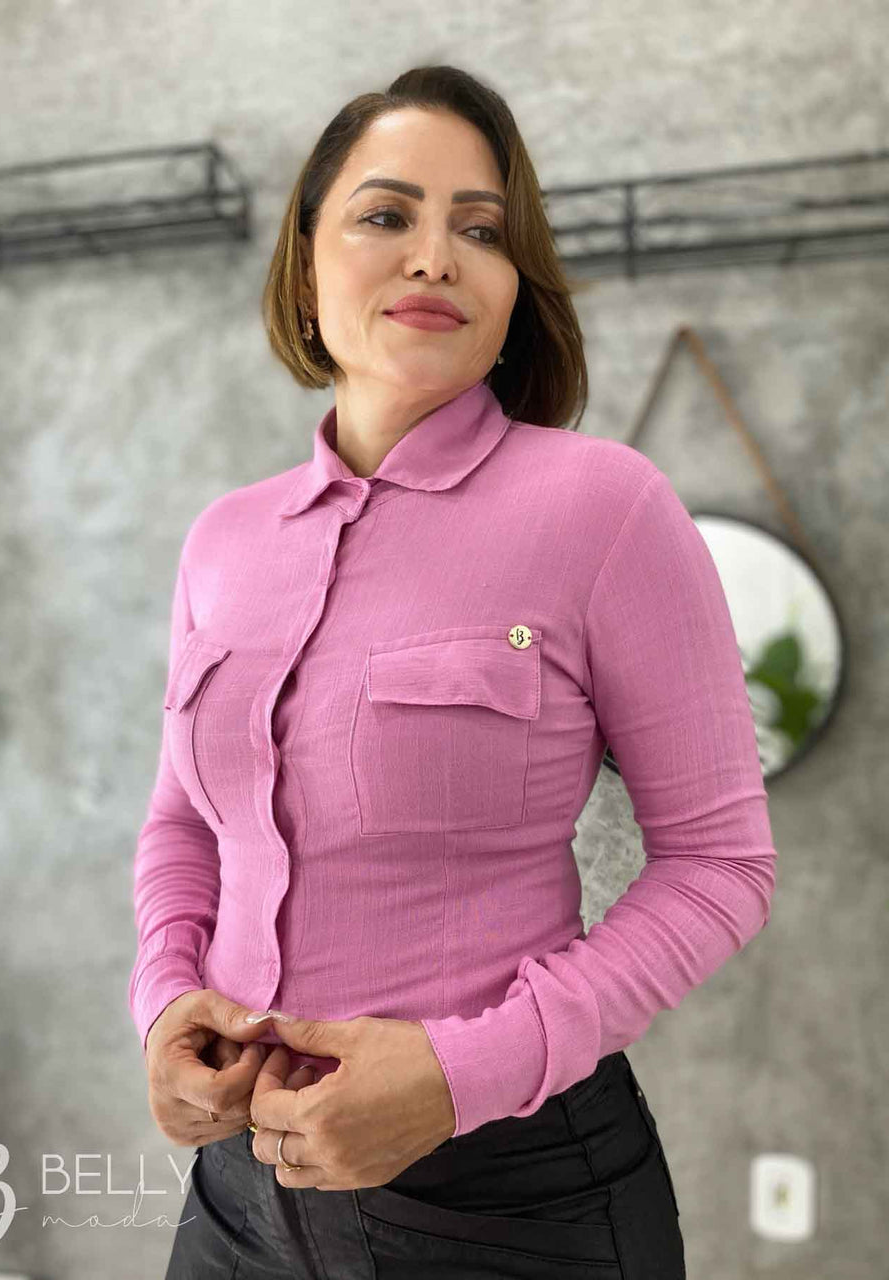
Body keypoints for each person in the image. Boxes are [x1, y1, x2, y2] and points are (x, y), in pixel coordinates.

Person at [130, 63, 777, 1279]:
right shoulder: (223, 540)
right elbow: (183, 820)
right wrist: (164, 995)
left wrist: (454, 1071)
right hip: (239, 1198)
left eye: (481, 230)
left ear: (514, 285)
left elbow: (722, 865)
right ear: (304, 268)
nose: (435, 256)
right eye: (387, 214)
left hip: (514, 1202)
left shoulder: (606, 509)